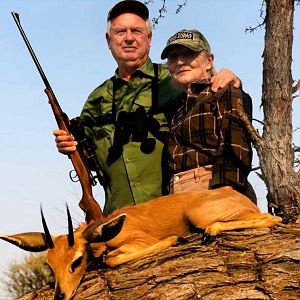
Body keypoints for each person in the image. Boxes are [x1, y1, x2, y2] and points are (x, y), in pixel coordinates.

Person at [54, 0, 244, 216]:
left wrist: (231, 78)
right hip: (118, 217)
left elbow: (215, 92)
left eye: (136, 31)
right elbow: (83, 149)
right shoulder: (97, 99)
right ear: (108, 40)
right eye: (120, 32)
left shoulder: (173, 77)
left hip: (171, 210)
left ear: (149, 38)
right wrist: (68, 144)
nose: (128, 38)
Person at [161, 29, 256, 202]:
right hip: (177, 196)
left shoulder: (223, 91)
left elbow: (235, 146)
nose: (180, 61)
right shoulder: (178, 109)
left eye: (189, 54)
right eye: (173, 57)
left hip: (213, 192)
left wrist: (226, 195)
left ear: (209, 61)